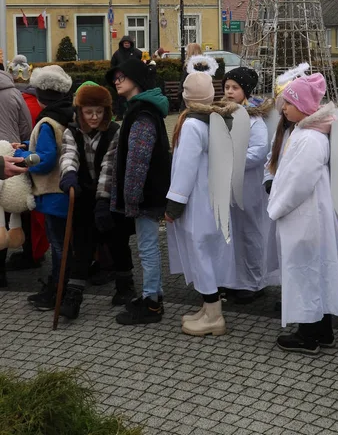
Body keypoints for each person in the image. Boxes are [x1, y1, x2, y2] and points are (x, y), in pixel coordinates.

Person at [267, 73, 338, 355]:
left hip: (304, 216)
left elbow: (298, 181)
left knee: (305, 272)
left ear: (303, 105)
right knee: (314, 271)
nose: (283, 109)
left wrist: (277, 207)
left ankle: (308, 335)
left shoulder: (310, 139)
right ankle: (321, 330)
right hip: (307, 214)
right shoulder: (305, 133)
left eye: (288, 103)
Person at [165, 66, 237, 337]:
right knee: (208, 252)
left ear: (186, 98)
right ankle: (208, 310)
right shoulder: (218, 121)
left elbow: (185, 168)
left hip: (197, 202)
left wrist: (174, 204)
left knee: (200, 253)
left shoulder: (193, 125)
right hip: (214, 200)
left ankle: (214, 316)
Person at [58, 83, 135, 320]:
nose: (94, 117)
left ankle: (125, 287)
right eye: (89, 112)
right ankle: (73, 296)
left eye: (99, 112)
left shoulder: (114, 132)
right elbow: (68, 155)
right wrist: (68, 175)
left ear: (106, 112)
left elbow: (109, 167)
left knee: (117, 242)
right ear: (79, 111)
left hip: (110, 196)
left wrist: (103, 200)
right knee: (81, 245)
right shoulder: (71, 131)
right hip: (82, 194)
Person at [105, 58, 170, 325]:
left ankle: (151, 303)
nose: (117, 81)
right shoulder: (141, 109)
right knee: (147, 246)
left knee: (147, 247)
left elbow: (138, 160)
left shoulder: (142, 113)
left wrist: (131, 197)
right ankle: (152, 294)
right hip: (147, 192)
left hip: (145, 194)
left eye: (122, 76)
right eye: (115, 78)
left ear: (136, 79)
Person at [14, 66, 74, 309]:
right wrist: (29, 143)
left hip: (52, 192)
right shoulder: (65, 115)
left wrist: (21, 155)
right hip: (64, 190)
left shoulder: (47, 121)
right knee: (65, 243)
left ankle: (58, 290)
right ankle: (63, 286)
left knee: (59, 245)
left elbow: (46, 159)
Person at [221, 67, 273, 303]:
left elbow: (259, 151)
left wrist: (230, 159)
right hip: (228, 185)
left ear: (246, 91)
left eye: (235, 88)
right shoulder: (223, 114)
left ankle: (254, 281)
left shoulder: (254, 119)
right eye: (227, 87)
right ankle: (234, 278)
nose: (230, 92)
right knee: (231, 232)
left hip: (248, 185)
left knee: (250, 231)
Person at [6, 54, 47, 271]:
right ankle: (34, 252)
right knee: (31, 209)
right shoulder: (31, 104)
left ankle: (27, 254)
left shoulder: (20, 100)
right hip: (31, 160)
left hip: (14, 158)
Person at [0, 67, 33, 287]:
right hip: (9, 157)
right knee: (8, 212)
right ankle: (2, 272)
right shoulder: (14, 92)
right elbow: (26, 128)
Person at [110, 36, 142, 120]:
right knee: (121, 97)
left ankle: (135, 113)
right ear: (122, 44)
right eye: (125, 43)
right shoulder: (117, 54)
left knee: (134, 95)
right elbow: (112, 65)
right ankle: (120, 114)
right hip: (121, 78)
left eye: (128, 43)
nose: (126, 44)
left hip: (134, 78)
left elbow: (143, 62)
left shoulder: (137, 53)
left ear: (131, 44)